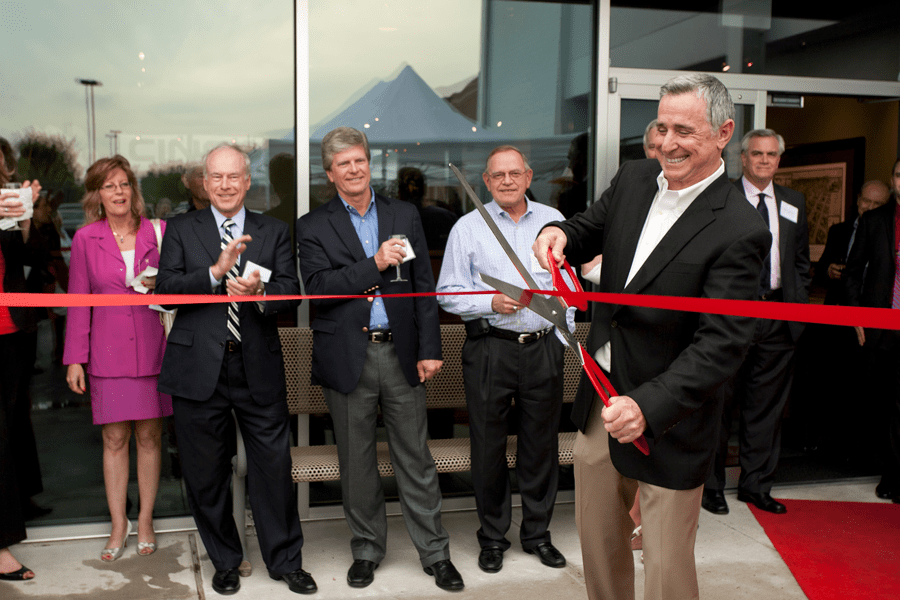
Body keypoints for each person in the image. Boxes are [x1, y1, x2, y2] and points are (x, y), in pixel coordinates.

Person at [533, 73, 771, 600]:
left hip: (671, 417)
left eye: (684, 130)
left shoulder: (740, 227)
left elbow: (722, 343)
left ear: (724, 132)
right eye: (661, 127)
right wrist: (559, 234)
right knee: (598, 541)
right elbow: (587, 227)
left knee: (664, 565)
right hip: (601, 400)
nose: (667, 142)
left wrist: (648, 406)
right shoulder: (636, 177)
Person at [296, 126, 463, 592]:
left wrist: (431, 350)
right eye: (343, 164)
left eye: (359, 160)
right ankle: (367, 549)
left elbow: (424, 290)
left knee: (417, 459)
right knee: (357, 463)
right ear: (330, 174)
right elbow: (321, 290)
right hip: (348, 356)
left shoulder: (403, 213)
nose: (354, 169)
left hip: (401, 353)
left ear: (370, 163)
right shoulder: (312, 226)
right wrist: (375, 264)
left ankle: (435, 553)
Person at [156, 144, 314, 596]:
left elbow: (291, 293)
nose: (225, 185)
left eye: (234, 177)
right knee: (206, 475)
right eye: (216, 177)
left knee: (273, 470)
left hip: (257, 366)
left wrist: (260, 292)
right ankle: (225, 560)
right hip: (196, 367)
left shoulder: (274, 230)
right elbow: (166, 291)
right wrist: (212, 273)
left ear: (248, 182)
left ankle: (285, 561)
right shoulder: (181, 229)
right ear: (205, 184)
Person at [436, 145, 573, 574]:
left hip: (543, 347)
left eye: (515, 173)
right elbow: (447, 292)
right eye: (499, 176)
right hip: (489, 348)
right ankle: (492, 537)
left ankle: (537, 535)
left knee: (541, 446)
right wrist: (488, 301)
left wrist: (563, 336)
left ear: (529, 176)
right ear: (487, 182)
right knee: (488, 447)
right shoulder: (467, 227)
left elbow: (569, 285)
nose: (508, 181)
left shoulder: (555, 223)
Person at [62, 156, 172, 561]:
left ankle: (144, 519)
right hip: (106, 353)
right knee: (114, 438)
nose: (119, 192)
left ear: (133, 190)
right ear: (97, 195)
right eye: (109, 186)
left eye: (124, 184)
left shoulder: (158, 233)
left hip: (153, 349)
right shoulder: (85, 238)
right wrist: (75, 358)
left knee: (149, 437)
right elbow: (77, 303)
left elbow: (177, 287)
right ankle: (118, 523)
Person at [703, 129, 811, 517]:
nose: (764, 161)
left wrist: (797, 304)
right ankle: (711, 486)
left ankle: (756, 485)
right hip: (733, 318)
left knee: (766, 408)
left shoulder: (793, 201)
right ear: (742, 158)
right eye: (757, 154)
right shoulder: (723, 198)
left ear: (778, 160)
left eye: (771, 155)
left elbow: (799, 259)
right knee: (720, 404)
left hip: (779, 318)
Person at [844, 158, 900, 503]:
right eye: (898, 173)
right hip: (885, 327)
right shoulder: (876, 220)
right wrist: (857, 314)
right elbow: (852, 273)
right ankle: (892, 474)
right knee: (890, 403)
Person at [0, 156, 40, 581]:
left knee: (10, 427)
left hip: (10, 329)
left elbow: (28, 256)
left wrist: (22, 214)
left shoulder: (4, 203)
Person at [817, 180, 890, 305]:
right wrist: (828, 270)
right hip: (837, 309)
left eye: (877, 203)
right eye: (866, 201)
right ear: (858, 200)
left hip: (874, 310)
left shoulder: (892, 236)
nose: (870, 207)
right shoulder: (838, 231)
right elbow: (819, 270)